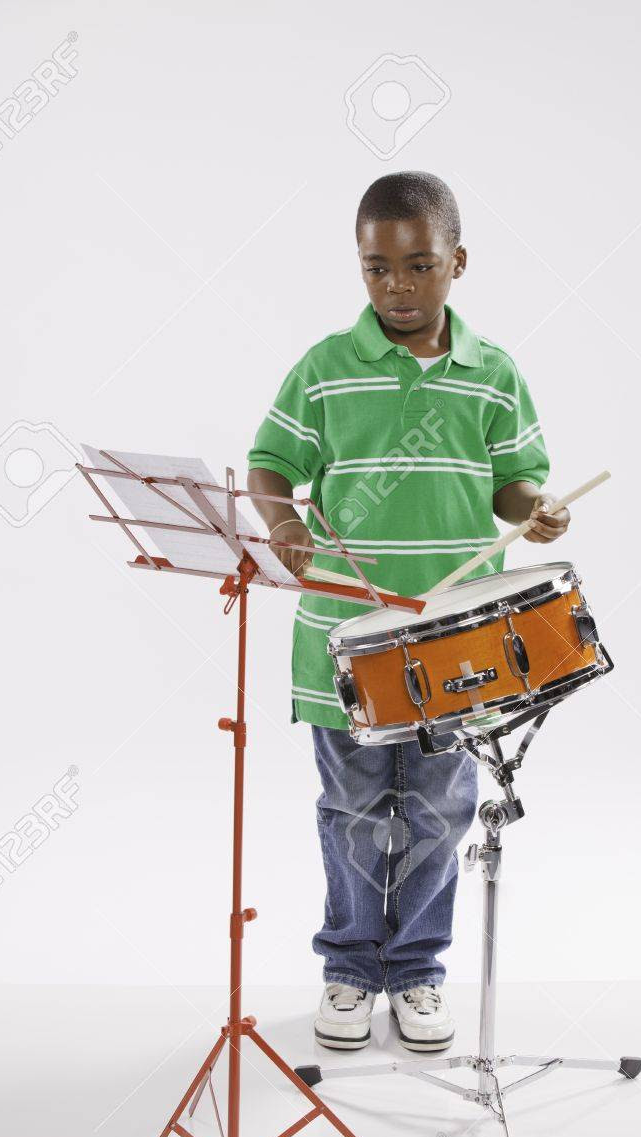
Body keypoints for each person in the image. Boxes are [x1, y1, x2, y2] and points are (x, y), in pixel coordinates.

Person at [246, 171, 569, 1054]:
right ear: (360, 265)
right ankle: (352, 967)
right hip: (344, 640)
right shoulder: (325, 367)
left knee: (438, 812)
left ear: (457, 263)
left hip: (455, 643)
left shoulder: (493, 372)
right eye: (377, 267)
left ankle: (418, 970)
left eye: (419, 265)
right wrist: (283, 525)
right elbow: (270, 461)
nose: (397, 285)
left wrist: (536, 509)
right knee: (352, 808)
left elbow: (513, 484)